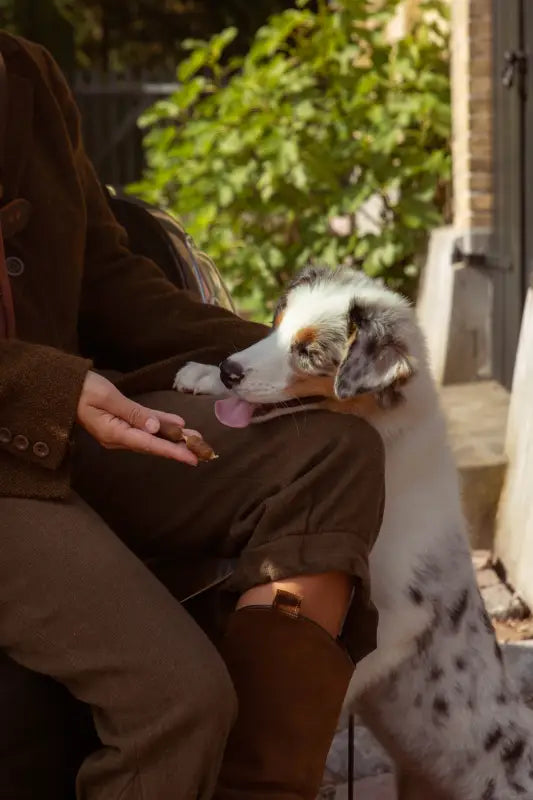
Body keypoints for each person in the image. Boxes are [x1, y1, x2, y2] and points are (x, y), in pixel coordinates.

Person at [0, 30, 385, 800]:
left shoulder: (24, 71)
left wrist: (296, 358)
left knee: (327, 451)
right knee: (178, 702)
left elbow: (109, 286)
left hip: (68, 431)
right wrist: (45, 385)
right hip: (16, 457)